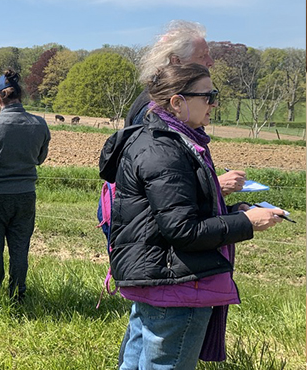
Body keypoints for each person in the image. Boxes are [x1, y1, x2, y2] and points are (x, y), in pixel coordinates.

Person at [98, 63, 284, 369]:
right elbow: (183, 230)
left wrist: (232, 211)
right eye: (208, 95)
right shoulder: (165, 150)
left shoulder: (163, 140)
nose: (214, 103)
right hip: (177, 286)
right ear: (177, 102)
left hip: (158, 278)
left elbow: (172, 211)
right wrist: (247, 223)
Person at [125, 20, 245, 197]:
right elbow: (158, 189)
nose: (211, 62)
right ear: (176, 61)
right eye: (202, 56)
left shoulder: (176, 106)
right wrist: (215, 186)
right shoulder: (152, 110)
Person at [0, 69, 50, 301]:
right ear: (20, 95)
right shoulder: (40, 125)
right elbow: (39, 159)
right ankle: (18, 294)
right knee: (20, 249)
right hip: (25, 194)